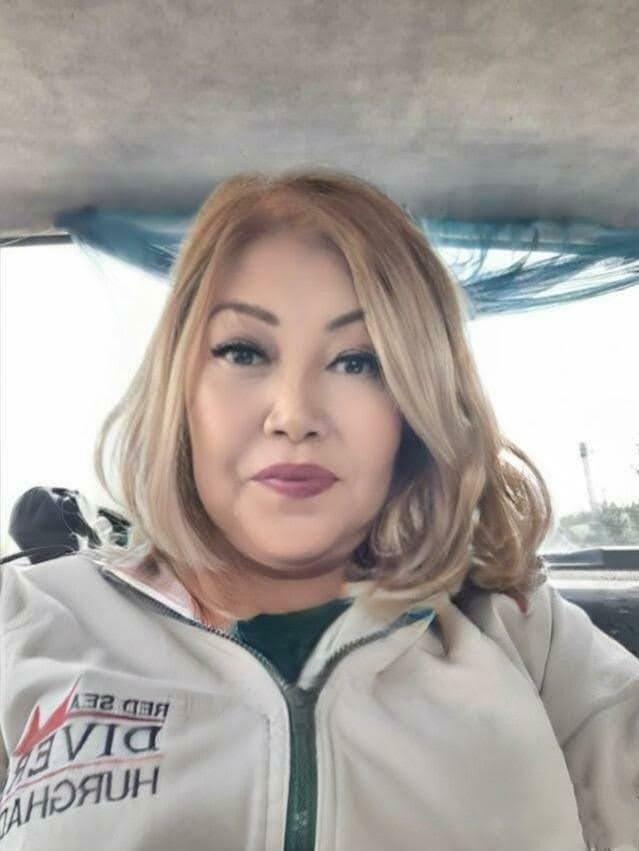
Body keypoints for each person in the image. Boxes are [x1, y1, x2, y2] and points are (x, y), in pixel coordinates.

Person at [0, 168, 637, 851]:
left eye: (359, 361)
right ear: (180, 387)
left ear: (412, 406)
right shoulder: (27, 622)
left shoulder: (530, 638)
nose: (294, 414)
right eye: (243, 351)